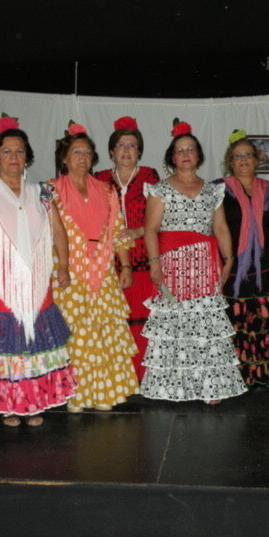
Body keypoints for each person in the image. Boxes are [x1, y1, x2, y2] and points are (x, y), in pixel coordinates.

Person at [0, 116, 76, 426]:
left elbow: (58, 231)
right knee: (6, 341)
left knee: (33, 342)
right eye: (6, 151)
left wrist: (63, 264)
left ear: (27, 157)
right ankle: (8, 404)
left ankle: (33, 403)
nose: (13, 157)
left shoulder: (41, 193)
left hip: (36, 280)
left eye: (20, 151)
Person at [141, 120, 247, 403]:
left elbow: (220, 228)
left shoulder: (212, 190)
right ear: (172, 157)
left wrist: (229, 259)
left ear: (198, 155)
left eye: (190, 149)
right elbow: (150, 229)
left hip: (204, 266)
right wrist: (155, 264)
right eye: (180, 150)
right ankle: (174, 386)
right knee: (176, 324)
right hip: (172, 266)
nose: (186, 154)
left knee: (205, 324)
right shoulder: (160, 190)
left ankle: (209, 386)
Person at [48, 122, 140, 412]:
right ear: (64, 157)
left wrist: (126, 265)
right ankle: (75, 395)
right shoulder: (49, 190)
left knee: (103, 332)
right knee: (74, 333)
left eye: (87, 153)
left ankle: (103, 394)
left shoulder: (106, 190)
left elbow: (118, 230)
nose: (82, 158)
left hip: (102, 270)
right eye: (76, 152)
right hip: (67, 270)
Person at [214, 130, 269, 386]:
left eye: (248, 155)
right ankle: (237, 378)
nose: (243, 160)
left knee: (267, 324)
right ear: (230, 162)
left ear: (257, 160)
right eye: (237, 156)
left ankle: (267, 374)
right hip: (232, 273)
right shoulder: (217, 191)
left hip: (267, 272)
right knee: (235, 326)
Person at [94, 116, 160, 381]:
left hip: (143, 257)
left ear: (139, 151)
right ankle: (120, 378)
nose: (126, 151)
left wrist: (139, 231)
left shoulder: (149, 176)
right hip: (108, 262)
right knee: (115, 321)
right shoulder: (99, 179)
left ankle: (143, 375)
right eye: (121, 145)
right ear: (111, 151)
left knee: (143, 318)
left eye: (132, 146)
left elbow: (161, 216)